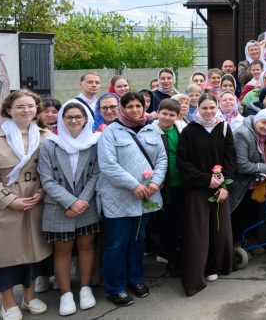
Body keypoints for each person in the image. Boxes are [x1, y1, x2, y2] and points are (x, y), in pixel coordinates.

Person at [0, 90, 52, 320]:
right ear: (9, 110)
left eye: (30, 106)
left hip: (35, 202)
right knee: (3, 256)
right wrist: (10, 201)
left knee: (33, 253)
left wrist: (41, 193)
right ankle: (7, 302)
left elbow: (53, 171)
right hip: (3, 204)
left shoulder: (45, 135)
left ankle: (30, 296)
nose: (26, 110)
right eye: (20, 106)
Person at [95, 92, 167, 307]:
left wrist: (155, 182)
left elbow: (161, 159)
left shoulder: (152, 130)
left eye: (138, 105)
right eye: (129, 106)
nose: (135, 110)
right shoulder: (111, 133)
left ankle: (135, 279)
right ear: (121, 108)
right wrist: (133, 185)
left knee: (138, 240)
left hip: (147, 196)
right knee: (117, 243)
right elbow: (108, 165)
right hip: (119, 197)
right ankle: (115, 288)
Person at [38, 100, 101, 315]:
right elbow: (46, 179)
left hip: (86, 203)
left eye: (78, 117)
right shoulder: (50, 144)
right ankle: (65, 293)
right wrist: (71, 202)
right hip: (58, 206)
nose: (73, 121)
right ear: (61, 120)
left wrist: (81, 201)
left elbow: (96, 174)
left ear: (86, 120)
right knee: (62, 250)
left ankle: (85, 288)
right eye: (68, 117)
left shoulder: (94, 142)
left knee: (86, 246)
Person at [175, 93, 235, 296]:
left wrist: (224, 184)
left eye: (212, 108)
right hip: (197, 189)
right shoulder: (189, 131)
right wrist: (204, 179)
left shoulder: (224, 128)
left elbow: (231, 158)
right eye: (204, 108)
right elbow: (182, 163)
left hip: (221, 188)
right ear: (197, 109)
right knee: (198, 233)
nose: (209, 112)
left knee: (220, 229)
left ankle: (215, 267)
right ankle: (196, 274)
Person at [228, 109, 266, 243]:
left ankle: (254, 241)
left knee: (258, 213)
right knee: (242, 215)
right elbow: (241, 164)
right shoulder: (242, 134)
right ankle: (239, 244)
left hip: (260, 181)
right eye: (263, 122)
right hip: (242, 183)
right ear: (257, 120)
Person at [154, 98, 185, 279]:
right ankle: (171, 261)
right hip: (163, 186)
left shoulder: (180, 128)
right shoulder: (150, 131)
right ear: (158, 112)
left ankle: (180, 259)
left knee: (180, 223)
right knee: (167, 225)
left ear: (177, 116)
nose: (167, 117)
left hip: (181, 182)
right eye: (164, 113)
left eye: (171, 114)